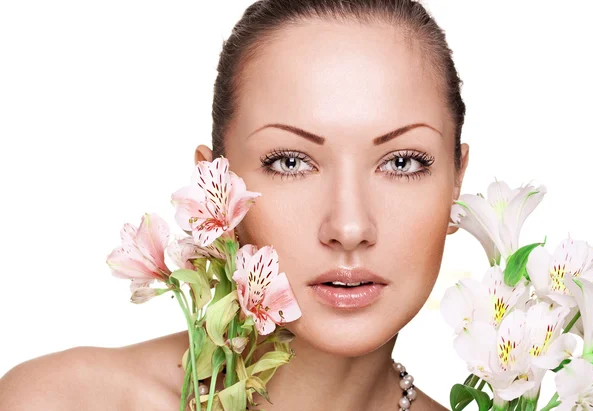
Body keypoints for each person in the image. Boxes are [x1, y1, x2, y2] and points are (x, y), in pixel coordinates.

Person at [0, 0, 468, 409]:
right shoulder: (61, 402)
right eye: (290, 162)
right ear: (214, 182)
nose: (348, 227)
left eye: (403, 162)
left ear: (456, 182)